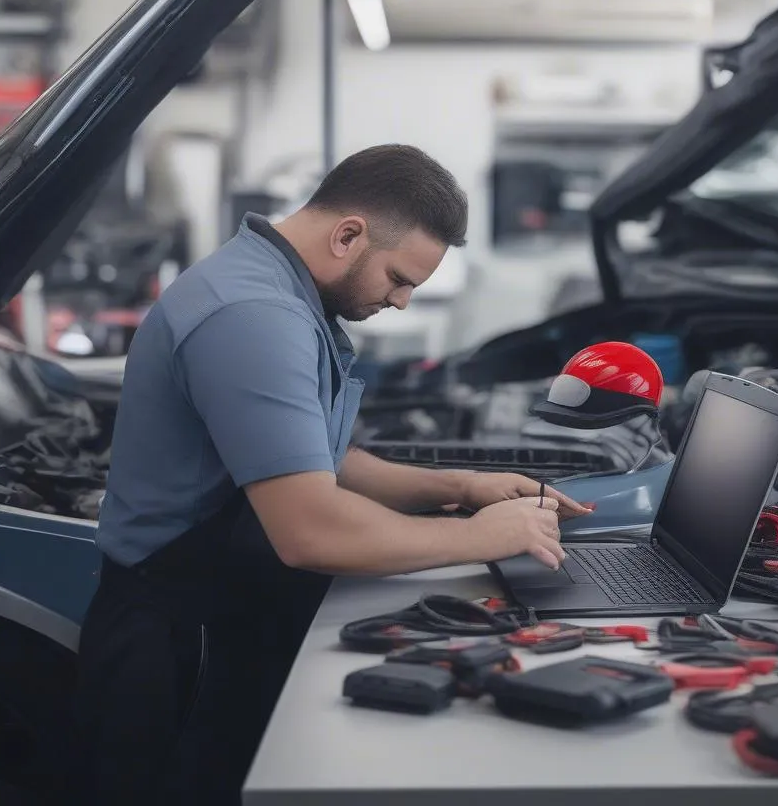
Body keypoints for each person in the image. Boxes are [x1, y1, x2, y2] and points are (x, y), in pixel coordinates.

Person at [75, 144, 591, 806]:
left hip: (215, 613)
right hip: (175, 645)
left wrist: (462, 489)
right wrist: (483, 537)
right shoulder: (252, 315)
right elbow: (311, 531)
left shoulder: (277, 291)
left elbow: (315, 458)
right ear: (349, 235)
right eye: (399, 278)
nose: (402, 302)